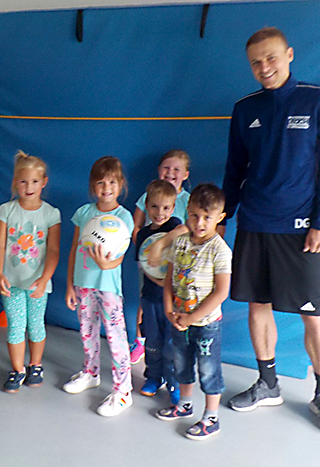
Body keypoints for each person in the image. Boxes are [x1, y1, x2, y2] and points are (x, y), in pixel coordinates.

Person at [221, 27, 320, 435]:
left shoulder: (319, 100)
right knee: (257, 306)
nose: (264, 68)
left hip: (302, 230)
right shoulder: (245, 109)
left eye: (271, 58)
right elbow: (234, 169)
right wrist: (224, 216)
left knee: (314, 314)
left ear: (289, 55)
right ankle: (268, 383)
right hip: (255, 223)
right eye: (256, 62)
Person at [156, 183, 231, 440]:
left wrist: (191, 317)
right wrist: (169, 308)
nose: (199, 222)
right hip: (179, 320)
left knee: (209, 370)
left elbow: (221, 292)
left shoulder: (220, 250)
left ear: (219, 218)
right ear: (187, 211)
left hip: (206, 324)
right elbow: (169, 277)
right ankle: (184, 405)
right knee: (181, 364)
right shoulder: (180, 243)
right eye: (194, 215)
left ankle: (211, 417)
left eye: (207, 217)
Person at [62, 156, 134, 417]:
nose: (106, 187)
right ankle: (90, 372)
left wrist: (108, 265)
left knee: (116, 337)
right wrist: (70, 284)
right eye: (101, 182)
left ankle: (123, 391)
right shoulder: (84, 213)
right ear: (93, 185)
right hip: (84, 285)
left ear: (121, 184)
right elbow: (74, 249)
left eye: (112, 182)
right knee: (87, 332)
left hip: (109, 288)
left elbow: (121, 256)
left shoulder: (124, 216)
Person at [0, 151, 61, 392]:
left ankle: (35, 365)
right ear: (15, 183)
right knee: (15, 326)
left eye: (34, 181)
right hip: (11, 283)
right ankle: (17, 369)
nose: (28, 186)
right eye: (23, 181)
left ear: (44, 183)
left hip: (37, 285)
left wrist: (45, 278)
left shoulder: (51, 213)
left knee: (36, 325)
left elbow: (53, 250)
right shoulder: (6, 210)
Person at [130, 150, 192, 365]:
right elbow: (136, 225)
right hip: (149, 262)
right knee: (145, 300)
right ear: (158, 171)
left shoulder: (187, 200)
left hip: (174, 264)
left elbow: (187, 229)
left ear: (185, 174)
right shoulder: (147, 196)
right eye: (166, 168)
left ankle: (171, 353)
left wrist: (160, 245)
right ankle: (141, 341)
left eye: (176, 169)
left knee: (170, 305)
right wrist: (144, 249)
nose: (170, 172)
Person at [135, 180, 181, 404]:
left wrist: (160, 243)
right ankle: (153, 377)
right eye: (154, 206)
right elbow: (143, 265)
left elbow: (184, 230)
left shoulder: (175, 225)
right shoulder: (143, 233)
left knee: (172, 345)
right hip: (152, 297)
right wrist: (161, 283)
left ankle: (174, 382)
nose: (159, 212)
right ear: (146, 205)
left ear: (172, 209)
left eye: (165, 208)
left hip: (174, 301)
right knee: (152, 342)